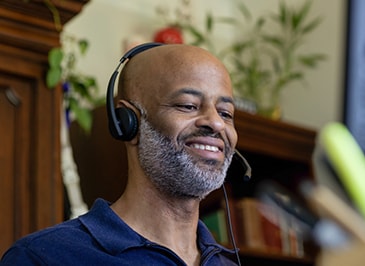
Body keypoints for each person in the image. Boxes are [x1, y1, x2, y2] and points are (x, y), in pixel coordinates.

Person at [0, 44, 239, 265]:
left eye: (225, 113)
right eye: (188, 105)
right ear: (128, 123)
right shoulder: (42, 257)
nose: (216, 123)